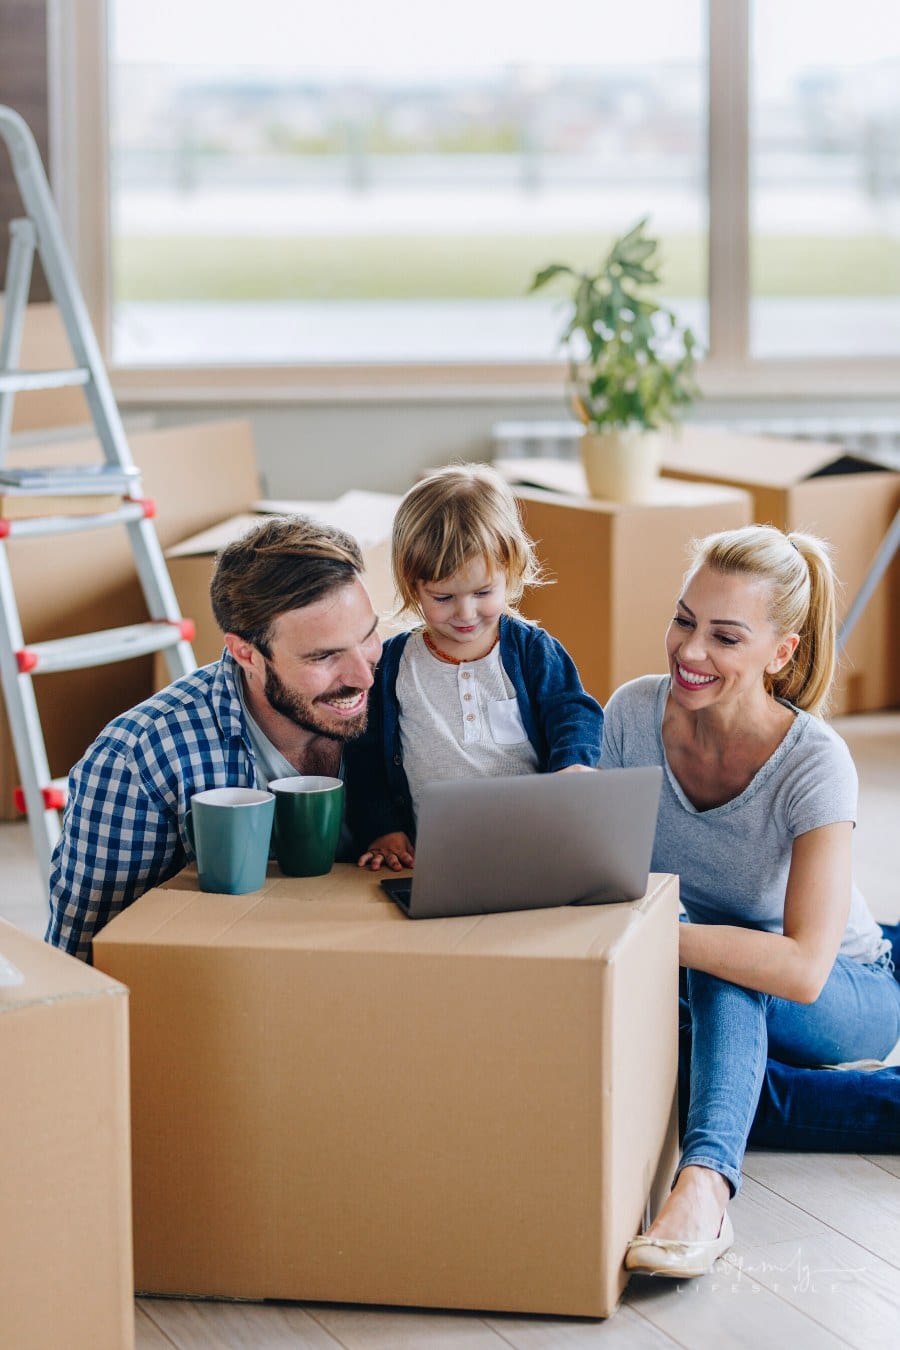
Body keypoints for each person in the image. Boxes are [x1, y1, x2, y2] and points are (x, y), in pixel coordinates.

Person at [600, 524, 900, 1279]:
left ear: (781, 653)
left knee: (725, 957)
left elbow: (801, 969)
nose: (690, 653)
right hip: (697, 960)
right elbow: (608, 881)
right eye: (684, 620)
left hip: (848, 989)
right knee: (702, 975)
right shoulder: (634, 716)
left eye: (725, 637)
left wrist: (660, 935)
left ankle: (703, 1190)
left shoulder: (813, 762)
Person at [46, 515, 382, 962]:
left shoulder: (409, 693)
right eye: (324, 656)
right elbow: (88, 963)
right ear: (246, 653)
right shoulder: (138, 760)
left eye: (368, 636)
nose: (363, 676)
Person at [345, 463, 604, 868]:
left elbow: (574, 710)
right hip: (434, 857)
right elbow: (364, 756)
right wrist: (382, 827)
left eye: (483, 592)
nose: (465, 613)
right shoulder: (393, 665)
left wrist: (573, 765)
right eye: (443, 597)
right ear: (413, 586)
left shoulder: (532, 652)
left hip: (533, 849)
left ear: (511, 572)